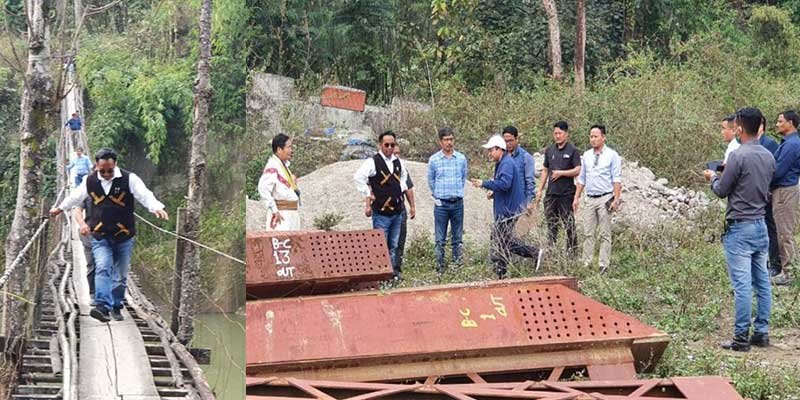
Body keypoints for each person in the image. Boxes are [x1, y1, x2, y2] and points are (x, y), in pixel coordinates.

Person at [50, 148, 168, 323]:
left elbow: (144, 195)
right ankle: (103, 307)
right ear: (96, 166)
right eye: (102, 170)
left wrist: (156, 207)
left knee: (120, 275)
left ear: (115, 165)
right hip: (100, 235)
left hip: (124, 236)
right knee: (103, 267)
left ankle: (116, 305)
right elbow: (76, 197)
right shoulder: (89, 180)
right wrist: (60, 208)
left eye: (110, 170)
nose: (106, 174)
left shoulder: (129, 179)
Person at [703, 107, 774, 352]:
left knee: (742, 285)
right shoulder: (768, 155)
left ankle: (741, 337)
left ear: (740, 128)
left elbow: (722, 190)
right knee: (762, 282)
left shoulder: (737, 156)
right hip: (760, 225)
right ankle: (761, 332)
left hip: (740, 227)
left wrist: (713, 177)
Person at [471, 135, 542, 279]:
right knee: (501, 240)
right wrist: (494, 192)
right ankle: (501, 272)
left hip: (508, 210)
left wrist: (484, 183)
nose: (489, 153)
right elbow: (503, 185)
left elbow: (505, 184)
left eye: (491, 150)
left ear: (499, 149)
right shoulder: (502, 162)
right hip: (506, 208)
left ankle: (532, 253)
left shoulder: (506, 163)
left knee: (503, 240)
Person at [354, 131, 409, 278]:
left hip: (397, 212)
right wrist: (367, 193)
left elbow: (404, 176)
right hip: (381, 213)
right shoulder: (373, 162)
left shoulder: (398, 162)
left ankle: (392, 275)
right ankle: (380, 275)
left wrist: (400, 188)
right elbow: (358, 177)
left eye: (392, 145)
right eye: (387, 145)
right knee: (380, 245)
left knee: (394, 245)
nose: (390, 148)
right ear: (380, 145)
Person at [573, 125, 621, 274]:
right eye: (591, 136)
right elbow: (582, 178)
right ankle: (586, 262)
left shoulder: (612, 155)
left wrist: (616, 199)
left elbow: (616, 179)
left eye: (596, 136)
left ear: (603, 137)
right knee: (588, 232)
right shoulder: (587, 155)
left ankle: (603, 265)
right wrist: (576, 197)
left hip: (605, 197)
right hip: (589, 198)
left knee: (604, 233)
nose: (593, 139)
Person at [535, 121, 582, 254]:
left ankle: (572, 252)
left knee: (568, 223)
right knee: (551, 223)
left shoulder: (572, 150)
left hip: (566, 194)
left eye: (560, 133)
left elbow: (578, 170)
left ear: (566, 134)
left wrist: (561, 173)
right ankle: (551, 249)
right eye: (555, 133)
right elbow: (545, 170)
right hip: (551, 193)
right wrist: (540, 189)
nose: (557, 136)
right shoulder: (550, 150)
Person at [427, 127, 468, 273]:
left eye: (451, 139)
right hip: (441, 205)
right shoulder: (434, 160)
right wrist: (438, 195)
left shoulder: (461, 159)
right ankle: (440, 268)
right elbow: (431, 181)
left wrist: (456, 192)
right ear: (440, 142)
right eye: (446, 140)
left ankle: (457, 267)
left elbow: (463, 178)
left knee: (457, 238)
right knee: (440, 239)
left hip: (457, 203)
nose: (449, 142)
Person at [770, 110, 800, 286]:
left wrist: (764, 181)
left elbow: (779, 170)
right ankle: (788, 270)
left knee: (784, 232)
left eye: (780, 121)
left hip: (784, 191)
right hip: (784, 189)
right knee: (783, 230)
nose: (777, 124)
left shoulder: (791, 145)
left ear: (790, 123)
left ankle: (789, 272)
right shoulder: (789, 143)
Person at [258, 134, 301, 231]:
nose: (291, 150)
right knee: (282, 240)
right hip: (282, 215)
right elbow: (263, 188)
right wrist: (274, 210)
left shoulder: (282, 166)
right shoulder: (273, 166)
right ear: (279, 149)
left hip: (291, 214)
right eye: (288, 147)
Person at [756, 115, 782, 276]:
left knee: (771, 227)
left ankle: (775, 263)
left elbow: (774, 169)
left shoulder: (770, 144)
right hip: (755, 193)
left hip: (767, 192)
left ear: (761, 126)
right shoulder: (748, 144)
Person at [394, 143, 416, 272]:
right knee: (386, 241)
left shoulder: (402, 169)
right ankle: (385, 272)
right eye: (394, 153)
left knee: (400, 241)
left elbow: (408, 188)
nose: (397, 156)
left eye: (398, 153)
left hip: (400, 209)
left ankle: (397, 270)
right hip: (384, 211)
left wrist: (412, 206)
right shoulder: (378, 168)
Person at [501, 126, 536, 207]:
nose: (508, 144)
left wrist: (529, 202)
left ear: (516, 139)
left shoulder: (525, 157)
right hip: (504, 202)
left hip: (519, 202)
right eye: (505, 141)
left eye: (510, 140)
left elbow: (530, 182)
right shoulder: (502, 156)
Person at [73, 197, 96, 304]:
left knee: (106, 266)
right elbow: (78, 209)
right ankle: (93, 293)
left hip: (109, 236)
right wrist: (82, 224)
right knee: (92, 264)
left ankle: (106, 296)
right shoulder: (86, 192)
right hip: (89, 234)